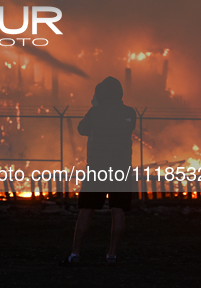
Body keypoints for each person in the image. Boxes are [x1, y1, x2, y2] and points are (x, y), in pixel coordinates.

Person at [60, 76, 136, 266]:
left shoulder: (95, 112)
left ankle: (76, 254)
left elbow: (81, 129)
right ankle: (112, 255)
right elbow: (128, 128)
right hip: (121, 169)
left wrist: (96, 106)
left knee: (86, 211)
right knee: (118, 211)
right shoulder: (129, 113)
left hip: (98, 169)